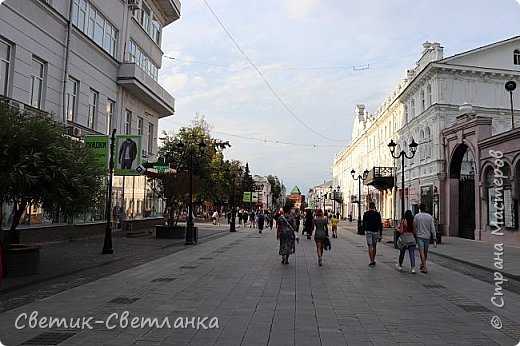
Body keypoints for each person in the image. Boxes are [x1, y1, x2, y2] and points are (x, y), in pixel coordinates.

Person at [414, 203, 436, 274]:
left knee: (421, 252)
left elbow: (415, 226)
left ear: (420, 209)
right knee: (425, 252)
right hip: (427, 236)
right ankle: (423, 264)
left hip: (419, 236)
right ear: (425, 208)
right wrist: (434, 237)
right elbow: (432, 227)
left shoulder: (417, 216)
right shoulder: (429, 216)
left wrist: (414, 234)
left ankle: (424, 267)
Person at [362, 202, 382, 267]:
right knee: (374, 246)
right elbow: (380, 224)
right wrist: (380, 233)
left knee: (369, 246)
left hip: (369, 231)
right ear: (374, 207)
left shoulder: (366, 214)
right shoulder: (377, 214)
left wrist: (365, 229)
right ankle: (373, 259)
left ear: (369, 207)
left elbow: (363, 223)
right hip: (375, 231)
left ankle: (371, 261)